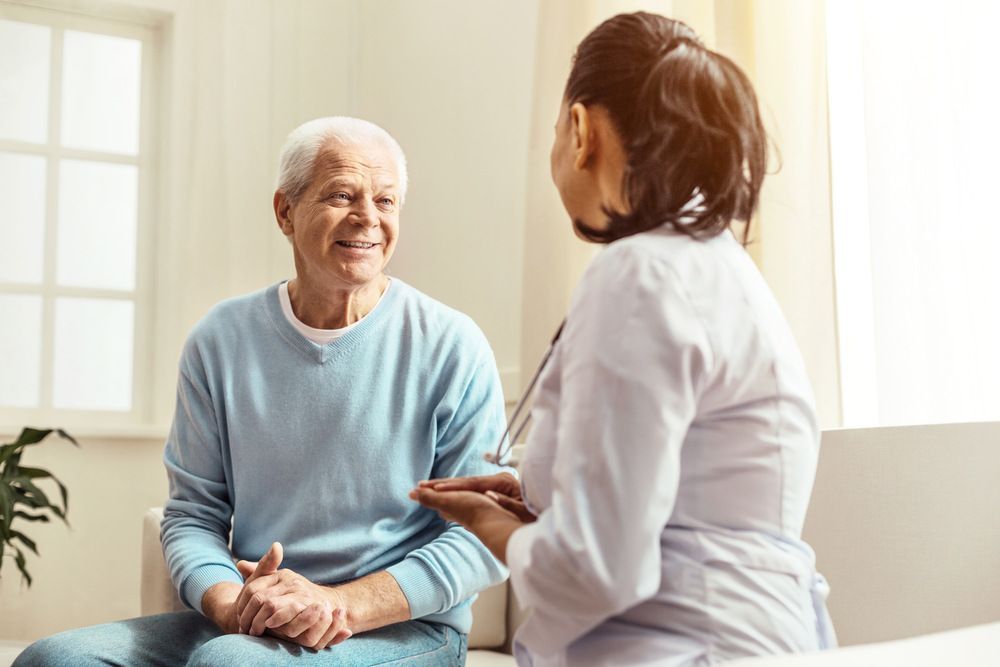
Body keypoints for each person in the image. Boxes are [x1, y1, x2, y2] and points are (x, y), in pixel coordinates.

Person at [412, 12, 837, 667]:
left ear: (579, 131)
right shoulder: (715, 263)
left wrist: (487, 523)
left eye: (554, 132)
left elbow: (598, 570)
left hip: (683, 650)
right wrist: (536, 496)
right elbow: (682, 503)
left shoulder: (638, 271)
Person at [15, 117, 508, 667]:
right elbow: (193, 515)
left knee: (230, 664)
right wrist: (230, 603)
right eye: (342, 194)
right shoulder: (219, 340)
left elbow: (486, 534)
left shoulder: (452, 345)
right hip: (252, 625)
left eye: (386, 201)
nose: (368, 217)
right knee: (53, 660)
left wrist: (336, 604)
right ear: (285, 212)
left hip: (404, 630)